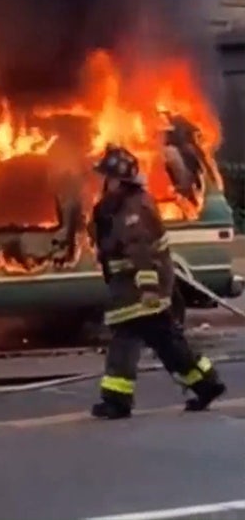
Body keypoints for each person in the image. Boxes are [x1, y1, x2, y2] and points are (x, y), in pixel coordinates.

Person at [88, 145, 225, 420]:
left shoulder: (133, 209)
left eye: (109, 178)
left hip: (140, 291)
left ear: (120, 180)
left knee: (139, 342)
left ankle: (118, 401)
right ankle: (205, 384)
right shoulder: (119, 206)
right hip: (131, 289)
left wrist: (149, 288)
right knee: (161, 343)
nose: (105, 183)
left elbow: (141, 249)